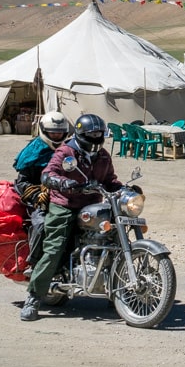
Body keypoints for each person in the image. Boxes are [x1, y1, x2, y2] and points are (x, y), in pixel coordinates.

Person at [21, 113, 121, 321]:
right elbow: (48, 174)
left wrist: (125, 190)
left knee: (116, 237)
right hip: (64, 204)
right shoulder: (66, 151)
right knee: (55, 247)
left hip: (92, 205)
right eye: (92, 134)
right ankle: (33, 297)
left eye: (99, 134)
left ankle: (118, 292)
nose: (96, 137)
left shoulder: (102, 155)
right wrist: (63, 183)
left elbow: (110, 180)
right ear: (81, 134)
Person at [12, 112, 70, 255]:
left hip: (66, 197)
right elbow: (22, 182)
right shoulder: (32, 151)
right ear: (44, 131)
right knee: (42, 224)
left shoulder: (69, 149)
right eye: (53, 133)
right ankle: (35, 263)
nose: (57, 136)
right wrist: (38, 195)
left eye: (60, 133)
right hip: (39, 201)